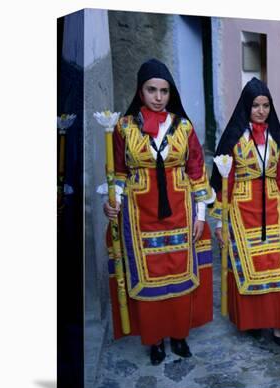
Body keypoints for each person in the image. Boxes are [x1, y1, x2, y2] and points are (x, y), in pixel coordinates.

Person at [101, 58, 215, 365]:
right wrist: (113, 202)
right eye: (151, 89)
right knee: (148, 280)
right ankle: (155, 340)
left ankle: (178, 335)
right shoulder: (124, 128)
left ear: (170, 93)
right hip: (140, 216)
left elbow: (196, 171)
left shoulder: (184, 127)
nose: (158, 97)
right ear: (140, 91)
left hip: (180, 212)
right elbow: (119, 173)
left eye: (164, 90)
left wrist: (201, 216)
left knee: (178, 276)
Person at [210, 77, 280, 347]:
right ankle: (253, 322)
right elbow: (226, 180)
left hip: (273, 207)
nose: (261, 110)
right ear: (246, 106)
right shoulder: (235, 139)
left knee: (279, 268)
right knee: (248, 268)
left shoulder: (274, 138)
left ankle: (279, 325)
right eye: (256, 105)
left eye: (266, 105)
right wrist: (219, 222)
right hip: (242, 209)